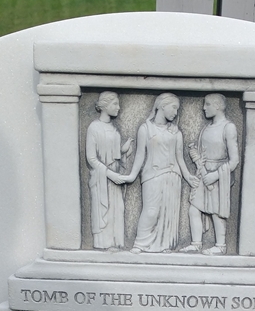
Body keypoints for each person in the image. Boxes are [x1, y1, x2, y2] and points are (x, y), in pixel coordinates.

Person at [119, 93, 199, 253]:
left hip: (173, 176)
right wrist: (132, 175)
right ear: (162, 106)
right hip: (152, 175)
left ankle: (165, 245)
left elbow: (180, 158)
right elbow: (140, 155)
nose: (176, 113)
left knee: (168, 215)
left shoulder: (176, 131)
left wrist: (188, 176)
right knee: (151, 211)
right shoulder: (146, 128)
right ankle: (140, 244)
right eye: (174, 108)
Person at [181, 93, 239, 256]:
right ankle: (196, 243)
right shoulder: (206, 128)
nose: (203, 107)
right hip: (203, 173)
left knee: (216, 211)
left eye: (207, 104)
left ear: (218, 106)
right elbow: (202, 154)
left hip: (219, 176)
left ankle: (220, 245)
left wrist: (215, 176)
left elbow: (234, 161)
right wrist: (196, 156)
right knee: (194, 209)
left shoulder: (228, 128)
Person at [85, 92, 132, 250]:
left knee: (117, 209)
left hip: (115, 177)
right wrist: (110, 174)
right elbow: (91, 158)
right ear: (105, 106)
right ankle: (103, 244)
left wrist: (123, 152)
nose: (119, 108)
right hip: (102, 179)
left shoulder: (114, 129)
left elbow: (115, 155)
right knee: (103, 210)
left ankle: (115, 243)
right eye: (115, 104)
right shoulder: (94, 127)